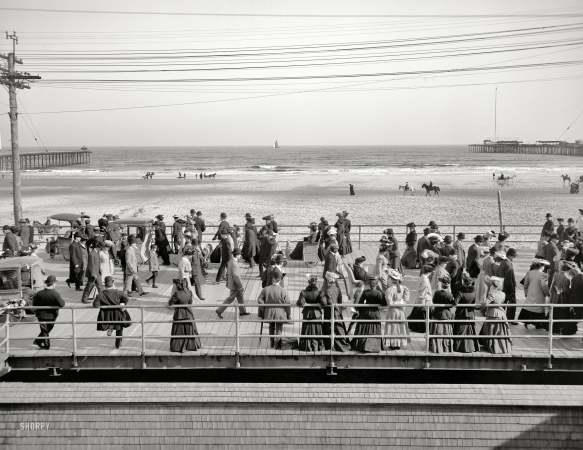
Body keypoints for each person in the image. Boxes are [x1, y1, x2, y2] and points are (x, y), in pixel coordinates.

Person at [351, 275, 387, 353]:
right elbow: (383, 303)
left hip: (365, 312)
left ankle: (361, 345)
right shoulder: (379, 293)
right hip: (375, 313)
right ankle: (374, 346)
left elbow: (360, 303)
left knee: (363, 328)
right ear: (376, 284)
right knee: (375, 329)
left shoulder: (365, 292)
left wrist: (360, 311)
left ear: (369, 284)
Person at [257, 267, 291, 349]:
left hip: (269, 312)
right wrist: (288, 315)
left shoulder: (266, 289)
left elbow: (259, 300)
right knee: (279, 327)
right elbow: (287, 305)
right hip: (280, 313)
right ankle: (277, 344)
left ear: (273, 279)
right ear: (280, 280)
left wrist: (264, 308)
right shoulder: (284, 291)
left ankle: (271, 343)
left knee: (271, 327)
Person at [92, 276, 130, 349]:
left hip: (106, 316)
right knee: (120, 326)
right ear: (112, 283)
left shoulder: (101, 294)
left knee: (112, 318)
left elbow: (95, 305)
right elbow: (126, 298)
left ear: (104, 285)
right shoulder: (118, 293)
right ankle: (118, 343)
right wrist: (122, 302)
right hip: (117, 314)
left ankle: (111, 327)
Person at [479, 276, 512, 354]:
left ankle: (492, 346)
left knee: (492, 331)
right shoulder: (503, 294)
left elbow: (485, 303)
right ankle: (503, 347)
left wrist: (481, 302)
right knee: (501, 332)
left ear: (493, 285)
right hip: (501, 314)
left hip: (492, 314)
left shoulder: (492, 294)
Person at [319, 271, 351, 352]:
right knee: (339, 329)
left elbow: (328, 303)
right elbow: (340, 301)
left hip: (330, 313)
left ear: (328, 280)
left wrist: (322, 296)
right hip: (338, 312)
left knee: (331, 329)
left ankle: (331, 345)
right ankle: (341, 343)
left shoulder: (327, 290)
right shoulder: (337, 289)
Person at [168, 278, 202, 352]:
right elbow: (190, 302)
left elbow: (170, 303)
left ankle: (177, 347)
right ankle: (191, 346)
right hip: (189, 313)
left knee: (178, 331)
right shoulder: (189, 292)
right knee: (190, 331)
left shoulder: (177, 294)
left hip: (179, 314)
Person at [32, 275, 65, 349]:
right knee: (47, 329)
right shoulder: (55, 294)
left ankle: (39, 341)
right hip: (52, 315)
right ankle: (47, 345)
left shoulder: (39, 293)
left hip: (41, 315)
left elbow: (35, 304)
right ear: (54, 284)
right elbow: (62, 304)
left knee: (44, 330)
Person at [215, 248, 249, 318]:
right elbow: (236, 276)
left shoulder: (231, 261)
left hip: (233, 283)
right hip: (235, 285)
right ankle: (219, 310)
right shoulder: (234, 263)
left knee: (240, 298)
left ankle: (242, 311)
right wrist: (241, 286)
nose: (240, 256)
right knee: (230, 298)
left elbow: (228, 273)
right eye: (240, 255)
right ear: (237, 255)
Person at [519, 259, 551, 329]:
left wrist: (526, 293)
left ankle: (526, 322)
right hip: (540, 295)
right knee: (538, 309)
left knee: (529, 307)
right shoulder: (544, 275)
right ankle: (538, 324)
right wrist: (548, 294)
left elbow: (526, 284)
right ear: (542, 266)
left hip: (531, 294)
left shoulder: (530, 273)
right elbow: (544, 286)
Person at [297, 274, 325, 351]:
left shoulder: (303, 292)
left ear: (308, 282)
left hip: (307, 313)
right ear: (316, 282)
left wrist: (307, 304)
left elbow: (300, 303)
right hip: (317, 313)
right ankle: (318, 347)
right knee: (318, 330)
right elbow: (324, 303)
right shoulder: (320, 292)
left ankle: (306, 347)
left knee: (307, 330)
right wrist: (317, 304)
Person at [452, 272, 480, 353]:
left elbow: (455, 303)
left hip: (461, 313)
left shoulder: (460, 292)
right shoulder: (473, 293)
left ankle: (459, 347)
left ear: (463, 283)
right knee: (470, 330)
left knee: (460, 330)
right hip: (470, 313)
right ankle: (471, 347)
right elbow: (474, 303)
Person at [384, 269, 411, 350]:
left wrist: (395, 302)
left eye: (388, 278)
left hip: (392, 311)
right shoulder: (404, 288)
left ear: (392, 279)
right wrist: (400, 302)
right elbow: (406, 300)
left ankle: (392, 344)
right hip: (401, 311)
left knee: (392, 327)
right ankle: (399, 343)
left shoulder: (389, 290)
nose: (387, 280)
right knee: (400, 327)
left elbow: (389, 302)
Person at [429, 276, 455, 353]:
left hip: (437, 313)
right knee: (447, 331)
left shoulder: (437, 293)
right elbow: (452, 303)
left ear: (442, 284)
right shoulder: (450, 294)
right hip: (447, 314)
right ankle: (446, 347)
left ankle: (436, 346)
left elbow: (434, 301)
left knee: (437, 331)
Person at [407, 264, 433, 333]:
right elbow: (423, 293)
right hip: (424, 301)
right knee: (422, 317)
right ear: (430, 272)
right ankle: (421, 329)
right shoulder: (425, 281)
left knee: (417, 316)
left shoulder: (421, 277)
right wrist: (422, 304)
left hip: (419, 300)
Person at [496, 248, 517, 324]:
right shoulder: (508, 264)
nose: (514, 258)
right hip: (507, 287)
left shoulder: (503, 262)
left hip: (502, 285)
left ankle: (500, 317)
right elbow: (508, 280)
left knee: (503, 303)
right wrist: (512, 290)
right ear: (510, 255)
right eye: (513, 256)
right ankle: (510, 319)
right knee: (512, 303)